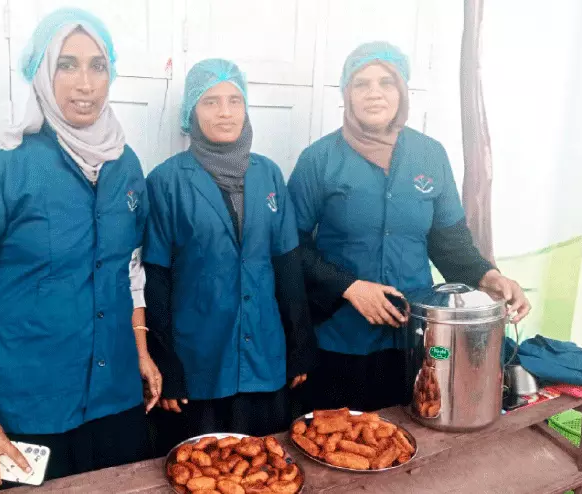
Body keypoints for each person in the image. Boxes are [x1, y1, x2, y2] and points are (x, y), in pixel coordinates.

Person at [0, 8, 159, 490]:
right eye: (66, 65)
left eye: (97, 66)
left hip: (116, 401)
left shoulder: (127, 164)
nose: (85, 83)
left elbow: (129, 270)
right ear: (40, 73)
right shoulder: (0, 165)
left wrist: (140, 350)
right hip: (26, 408)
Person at [287, 41, 531, 413]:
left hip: (415, 336)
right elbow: (290, 246)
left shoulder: (430, 155)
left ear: (402, 91)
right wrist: (350, 287)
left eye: (386, 82)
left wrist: (490, 277)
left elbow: (450, 243)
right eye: (361, 84)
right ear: (346, 94)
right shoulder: (318, 160)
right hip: (339, 336)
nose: (374, 93)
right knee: (341, 436)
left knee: (411, 434)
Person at [143, 59, 316, 453]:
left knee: (263, 464)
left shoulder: (269, 175)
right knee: (202, 466)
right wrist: (166, 364)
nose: (225, 112)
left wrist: (300, 346)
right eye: (211, 102)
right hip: (197, 362)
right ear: (191, 112)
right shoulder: (166, 182)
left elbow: (287, 266)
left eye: (234, 101)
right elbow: (155, 280)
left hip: (264, 355)